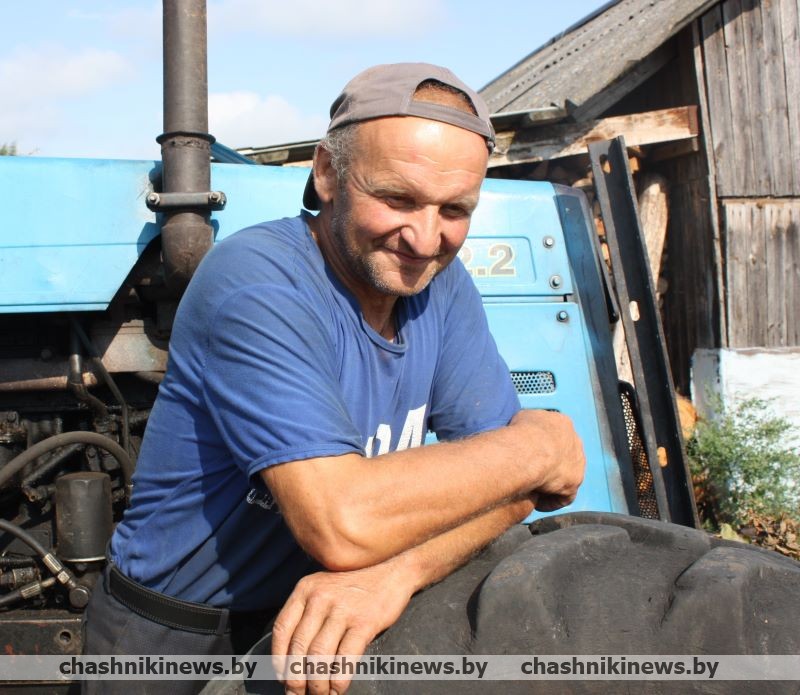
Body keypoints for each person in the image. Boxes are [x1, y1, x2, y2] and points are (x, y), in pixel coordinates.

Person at [83, 63, 585, 695]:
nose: (426, 238)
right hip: (171, 643)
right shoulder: (258, 282)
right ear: (326, 173)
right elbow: (343, 522)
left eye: (454, 210)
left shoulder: (441, 288)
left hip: (322, 618)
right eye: (398, 198)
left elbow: (513, 492)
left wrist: (396, 574)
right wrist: (540, 444)